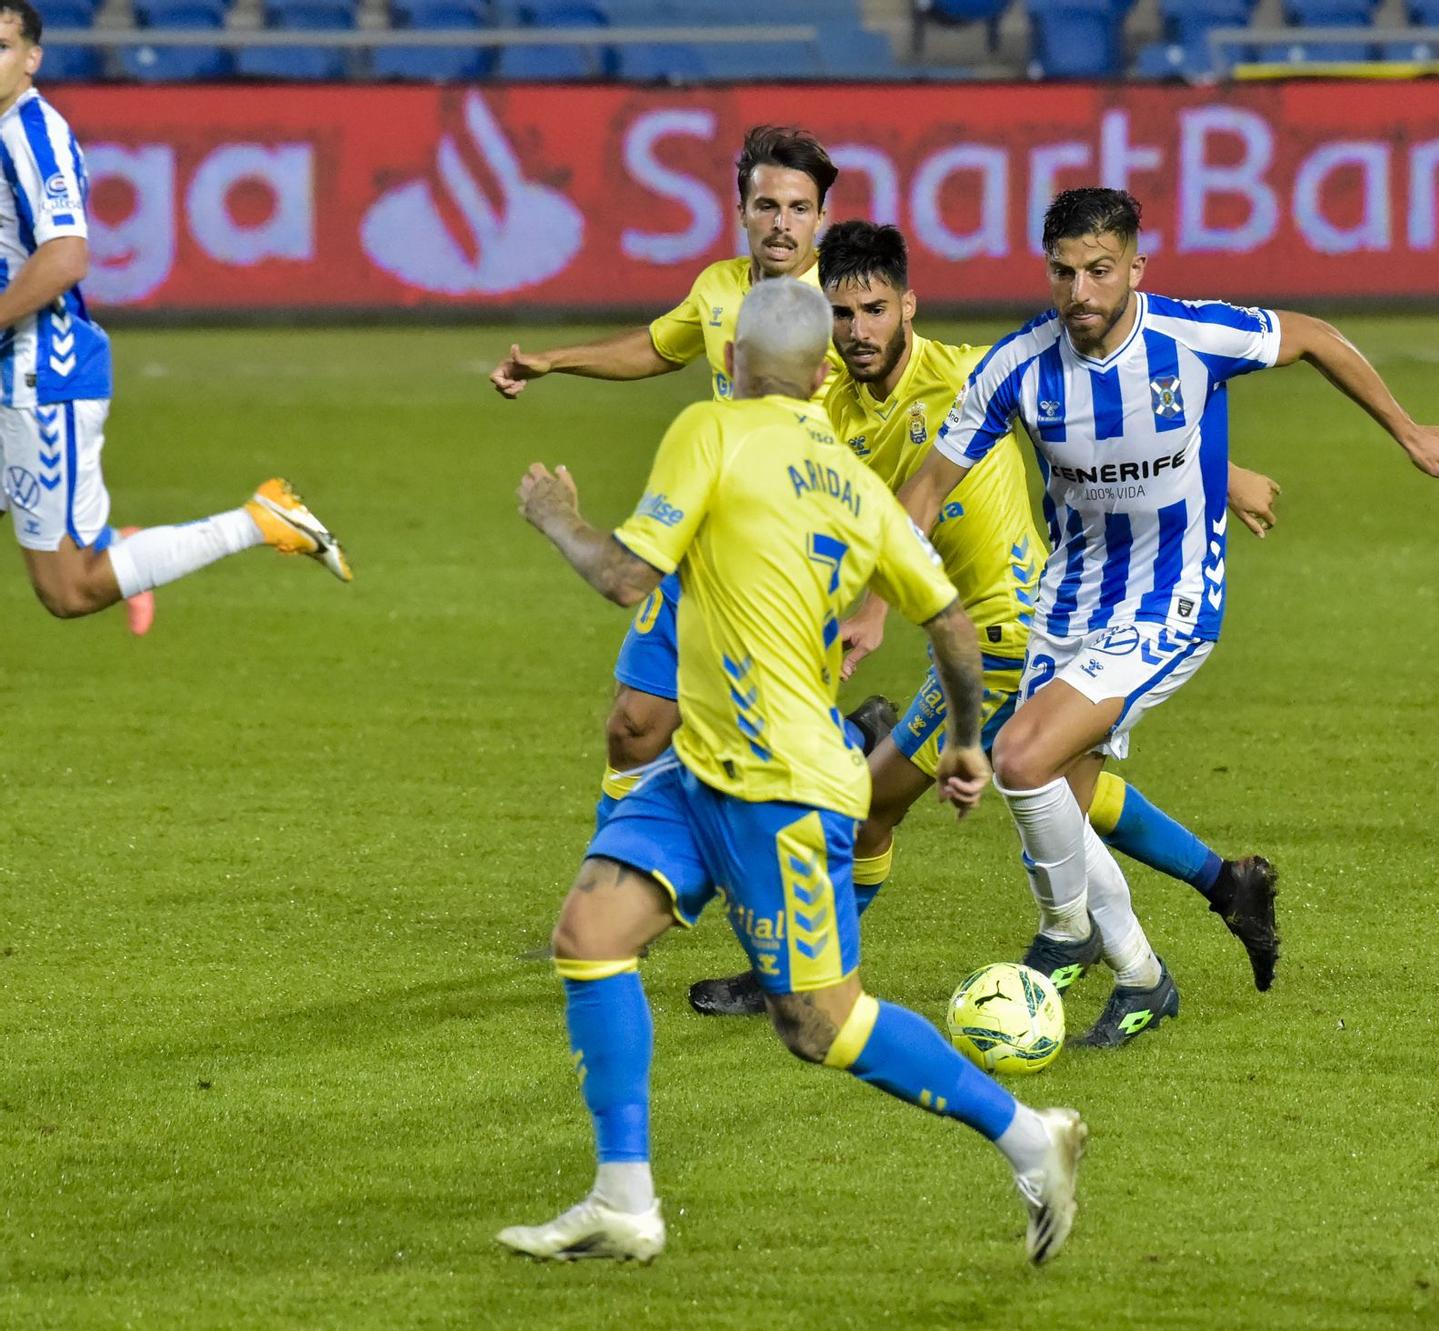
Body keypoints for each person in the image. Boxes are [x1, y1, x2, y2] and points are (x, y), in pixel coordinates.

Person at [502, 277, 1086, 1265]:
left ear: (733, 363)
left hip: (779, 786)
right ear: (820, 373)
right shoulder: (854, 482)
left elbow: (629, 578)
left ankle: (1031, 1136)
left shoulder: (711, 429)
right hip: (703, 766)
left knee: (820, 1024)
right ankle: (623, 1198)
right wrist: (960, 736)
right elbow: (947, 618)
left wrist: (556, 513)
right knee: (590, 934)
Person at [898, 188, 1439, 1049]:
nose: (1082, 292)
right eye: (1064, 272)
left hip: (1169, 602)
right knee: (1064, 799)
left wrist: (1407, 430)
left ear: (1136, 267)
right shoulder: (1016, 366)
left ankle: (1067, 933)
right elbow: (920, 495)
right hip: (1066, 602)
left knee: (1019, 759)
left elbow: (1314, 335)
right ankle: (1143, 975)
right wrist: (865, 597)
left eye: (1101, 270)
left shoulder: (1195, 336)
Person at [684, 219, 1283, 1018]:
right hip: (960, 633)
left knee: (903, 801)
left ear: (909, 308)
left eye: (874, 310)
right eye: (841, 314)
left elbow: (1106, 402)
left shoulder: (967, 371)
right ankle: (1223, 885)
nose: (858, 331)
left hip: (1015, 628)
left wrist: (1220, 471)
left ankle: (804, 976)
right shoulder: (833, 406)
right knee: (1040, 787)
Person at [489, 125, 890, 845]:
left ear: (823, 219)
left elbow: (903, 418)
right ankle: (613, 885)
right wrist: (555, 360)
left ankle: (854, 752)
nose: (782, 223)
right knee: (634, 725)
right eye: (767, 206)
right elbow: (657, 346)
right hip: (702, 539)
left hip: (791, 561)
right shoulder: (718, 288)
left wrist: (878, 595)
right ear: (742, 210)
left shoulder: (847, 307)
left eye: (800, 208)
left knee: (762, 762)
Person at [0, 0, 348, 625]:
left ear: (32, 60)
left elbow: (66, 257)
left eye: (0, 47)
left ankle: (256, 520)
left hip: (38, 372)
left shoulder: (28, 132)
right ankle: (121, 553)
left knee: (68, 592)